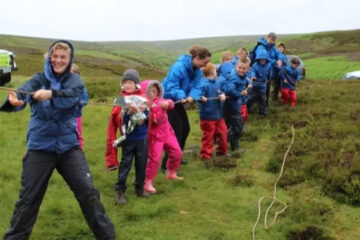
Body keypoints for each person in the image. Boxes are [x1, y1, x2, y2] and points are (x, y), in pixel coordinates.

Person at [0, 40, 115, 240]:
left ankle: (108, 237)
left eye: (63, 57)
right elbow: (21, 94)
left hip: (68, 148)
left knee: (89, 194)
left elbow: (71, 98)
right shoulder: (38, 79)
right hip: (39, 147)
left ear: (70, 60)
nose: (58, 60)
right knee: (27, 201)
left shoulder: (75, 81)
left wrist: (51, 94)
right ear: (49, 57)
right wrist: (15, 101)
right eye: (55, 56)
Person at [161, 45, 211, 171]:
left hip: (179, 101)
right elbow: (172, 86)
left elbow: (197, 87)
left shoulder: (197, 71)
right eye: (204, 62)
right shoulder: (179, 66)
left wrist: (192, 96)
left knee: (186, 129)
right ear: (197, 58)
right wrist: (182, 95)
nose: (205, 66)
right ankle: (167, 164)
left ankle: (176, 157)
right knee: (176, 131)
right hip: (168, 100)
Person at [106, 69, 149, 205]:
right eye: (124, 82)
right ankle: (120, 190)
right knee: (126, 163)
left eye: (130, 82)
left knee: (141, 163)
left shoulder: (143, 97)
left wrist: (141, 111)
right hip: (128, 139)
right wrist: (127, 112)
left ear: (136, 84)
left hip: (142, 138)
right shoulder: (120, 99)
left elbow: (148, 116)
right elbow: (117, 117)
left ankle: (139, 187)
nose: (127, 85)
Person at [140, 80, 184, 194]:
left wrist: (167, 104)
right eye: (149, 91)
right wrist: (157, 110)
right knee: (154, 159)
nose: (152, 94)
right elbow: (155, 120)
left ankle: (171, 172)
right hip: (155, 136)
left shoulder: (161, 101)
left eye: (154, 91)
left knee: (177, 152)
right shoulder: (145, 106)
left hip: (168, 132)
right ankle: (148, 181)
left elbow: (171, 103)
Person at [198, 63, 228, 161]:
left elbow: (220, 91)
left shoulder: (216, 83)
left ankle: (222, 152)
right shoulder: (203, 84)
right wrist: (201, 98)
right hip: (207, 116)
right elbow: (198, 95)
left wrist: (222, 94)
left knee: (223, 133)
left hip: (218, 115)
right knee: (208, 137)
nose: (217, 71)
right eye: (215, 70)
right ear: (212, 72)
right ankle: (205, 156)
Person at [225, 59, 252, 151]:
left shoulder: (244, 77)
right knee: (237, 126)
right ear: (236, 67)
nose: (241, 70)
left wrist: (249, 84)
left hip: (237, 104)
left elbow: (248, 81)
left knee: (239, 125)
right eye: (240, 68)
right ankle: (231, 145)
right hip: (232, 105)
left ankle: (226, 142)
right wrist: (240, 93)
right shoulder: (234, 77)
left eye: (244, 68)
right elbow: (229, 90)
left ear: (248, 69)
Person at [253, 32, 284, 103]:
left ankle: (264, 107)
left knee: (266, 90)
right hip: (259, 72)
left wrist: (280, 59)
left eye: (274, 40)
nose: (272, 42)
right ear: (267, 38)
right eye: (271, 40)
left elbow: (279, 53)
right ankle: (256, 107)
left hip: (268, 72)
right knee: (258, 91)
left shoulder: (273, 47)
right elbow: (263, 58)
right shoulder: (261, 47)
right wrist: (276, 62)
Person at [247, 50, 271, 117]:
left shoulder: (268, 65)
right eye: (261, 59)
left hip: (263, 85)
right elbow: (252, 71)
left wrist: (268, 78)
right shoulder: (255, 65)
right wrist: (252, 76)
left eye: (263, 59)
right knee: (251, 98)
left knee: (263, 99)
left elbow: (269, 73)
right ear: (258, 59)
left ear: (266, 59)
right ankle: (247, 109)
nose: (262, 61)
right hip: (255, 84)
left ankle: (263, 112)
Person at [71, 63, 88, 150]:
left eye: (75, 74)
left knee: (78, 134)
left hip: (77, 116)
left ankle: (79, 151)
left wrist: (78, 104)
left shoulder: (82, 87)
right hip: (66, 116)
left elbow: (85, 100)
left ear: (78, 74)